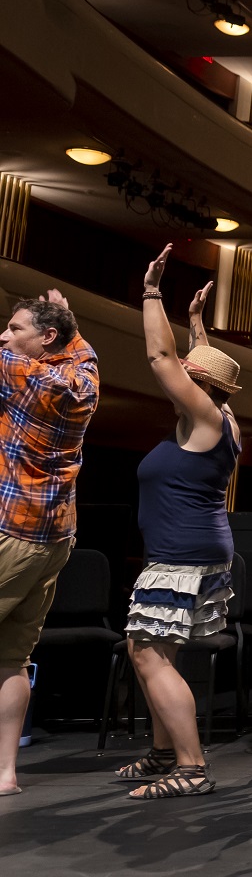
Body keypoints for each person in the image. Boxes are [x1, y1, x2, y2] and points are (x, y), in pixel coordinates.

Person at [116, 246, 241, 799]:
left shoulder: (207, 418)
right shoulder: (223, 418)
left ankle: (190, 767)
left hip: (181, 556)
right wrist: (197, 327)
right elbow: (197, 367)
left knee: (146, 649)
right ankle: (164, 753)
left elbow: (161, 360)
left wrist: (151, 292)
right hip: (194, 549)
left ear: (201, 389)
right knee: (149, 650)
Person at [0, 289, 98, 798]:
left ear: (46, 338)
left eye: (15, 328)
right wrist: (71, 322)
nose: (5, 336)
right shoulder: (85, 379)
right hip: (56, 538)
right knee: (11, 659)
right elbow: (83, 350)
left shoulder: (19, 371)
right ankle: (5, 773)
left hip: (11, 531)